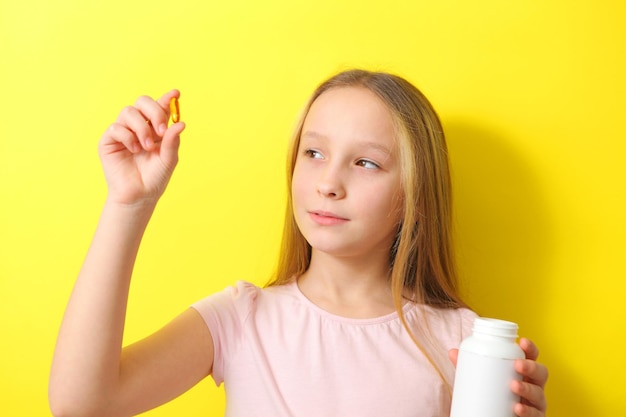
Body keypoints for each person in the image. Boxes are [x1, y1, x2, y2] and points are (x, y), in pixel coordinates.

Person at [49, 69, 548, 417]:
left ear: (414, 193)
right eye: (313, 153)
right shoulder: (240, 320)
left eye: (366, 162)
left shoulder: (465, 343)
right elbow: (80, 403)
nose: (328, 182)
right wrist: (128, 203)